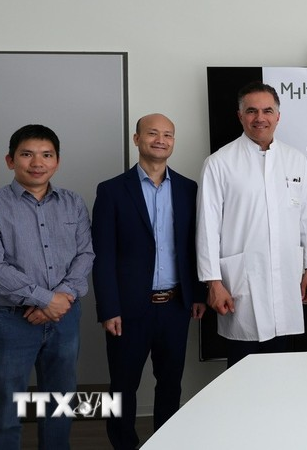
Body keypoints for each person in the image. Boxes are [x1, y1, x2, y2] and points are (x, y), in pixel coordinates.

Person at [0, 124, 94, 449]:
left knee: (60, 402)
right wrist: (47, 300)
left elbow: (85, 254)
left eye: (46, 155)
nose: (37, 163)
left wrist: (62, 299)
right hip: (10, 320)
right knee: (6, 407)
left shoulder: (73, 203)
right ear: (10, 160)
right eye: (27, 154)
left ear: (57, 161)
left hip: (65, 317)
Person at [91, 114, 205, 449]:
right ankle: (124, 444)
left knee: (170, 384)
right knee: (123, 385)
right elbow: (103, 254)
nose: (160, 140)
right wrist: (109, 308)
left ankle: (165, 443)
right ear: (136, 138)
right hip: (128, 309)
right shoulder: (112, 190)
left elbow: (194, 246)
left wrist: (197, 293)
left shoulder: (188, 188)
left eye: (168, 134)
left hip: (175, 306)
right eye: (153, 133)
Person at [197, 81, 307, 367]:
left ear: (278, 116)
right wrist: (213, 282)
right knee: (243, 369)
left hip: (287, 279)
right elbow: (207, 228)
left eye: (267, 111)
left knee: (280, 368)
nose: (260, 118)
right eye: (251, 111)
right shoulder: (219, 163)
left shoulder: (296, 160)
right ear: (240, 116)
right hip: (241, 283)